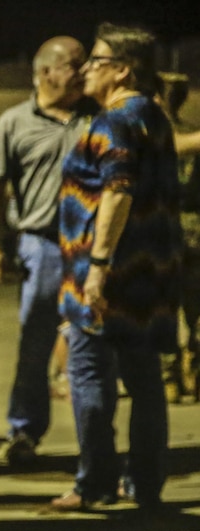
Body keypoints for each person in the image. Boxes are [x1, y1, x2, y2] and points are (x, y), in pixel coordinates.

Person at [49, 23, 182, 514]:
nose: (86, 69)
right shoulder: (154, 117)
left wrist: (98, 266)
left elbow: (117, 190)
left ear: (122, 70)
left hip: (109, 276)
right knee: (145, 380)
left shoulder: (115, 121)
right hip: (151, 275)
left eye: (96, 61)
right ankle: (145, 485)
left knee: (88, 373)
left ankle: (95, 482)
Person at [0, 37, 97, 466]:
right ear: (47, 72)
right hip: (42, 245)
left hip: (91, 245)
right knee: (36, 341)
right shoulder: (14, 122)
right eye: (74, 64)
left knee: (93, 344)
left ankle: (96, 441)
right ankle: (24, 431)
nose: (83, 71)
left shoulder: (96, 118)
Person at [156, 72, 200, 405]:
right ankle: (169, 374)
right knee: (164, 308)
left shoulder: (186, 130)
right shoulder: (150, 131)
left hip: (192, 229)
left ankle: (192, 373)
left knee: (194, 310)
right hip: (161, 230)